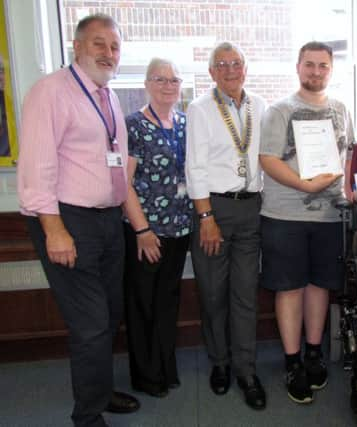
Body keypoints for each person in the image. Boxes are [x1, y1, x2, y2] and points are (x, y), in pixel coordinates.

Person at [17, 13, 140, 427]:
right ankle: (87, 417)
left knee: (107, 315)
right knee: (90, 325)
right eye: (98, 44)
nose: (108, 53)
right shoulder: (50, 92)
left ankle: (100, 392)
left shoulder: (107, 96)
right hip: (67, 221)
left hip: (108, 220)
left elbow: (114, 162)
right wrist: (55, 231)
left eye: (115, 46)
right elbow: (36, 168)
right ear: (77, 46)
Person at [259, 41, 354, 404]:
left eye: (323, 66)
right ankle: (292, 360)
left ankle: (314, 352)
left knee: (319, 286)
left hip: (330, 215)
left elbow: (344, 156)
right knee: (290, 288)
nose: (316, 72)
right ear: (298, 67)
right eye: (310, 65)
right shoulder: (280, 110)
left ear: (331, 69)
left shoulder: (341, 108)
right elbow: (268, 159)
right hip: (285, 214)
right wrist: (303, 184)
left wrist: (343, 190)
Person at [185, 42, 267, 410]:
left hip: (251, 209)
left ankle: (246, 370)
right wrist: (205, 218)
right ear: (212, 72)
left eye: (236, 63)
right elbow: (195, 166)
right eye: (222, 64)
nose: (231, 69)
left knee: (245, 294)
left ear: (245, 69)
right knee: (214, 293)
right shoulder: (200, 109)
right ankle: (219, 363)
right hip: (213, 210)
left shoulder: (260, 105)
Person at [122, 58, 193, 398]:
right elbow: (124, 183)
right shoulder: (133, 124)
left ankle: (166, 367)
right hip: (146, 232)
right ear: (147, 84)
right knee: (142, 302)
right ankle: (146, 376)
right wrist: (141, 230)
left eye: (174, 79)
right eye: (160, 79)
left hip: (180, 230)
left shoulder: (184, 122)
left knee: (167, 300)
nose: (168, 85)